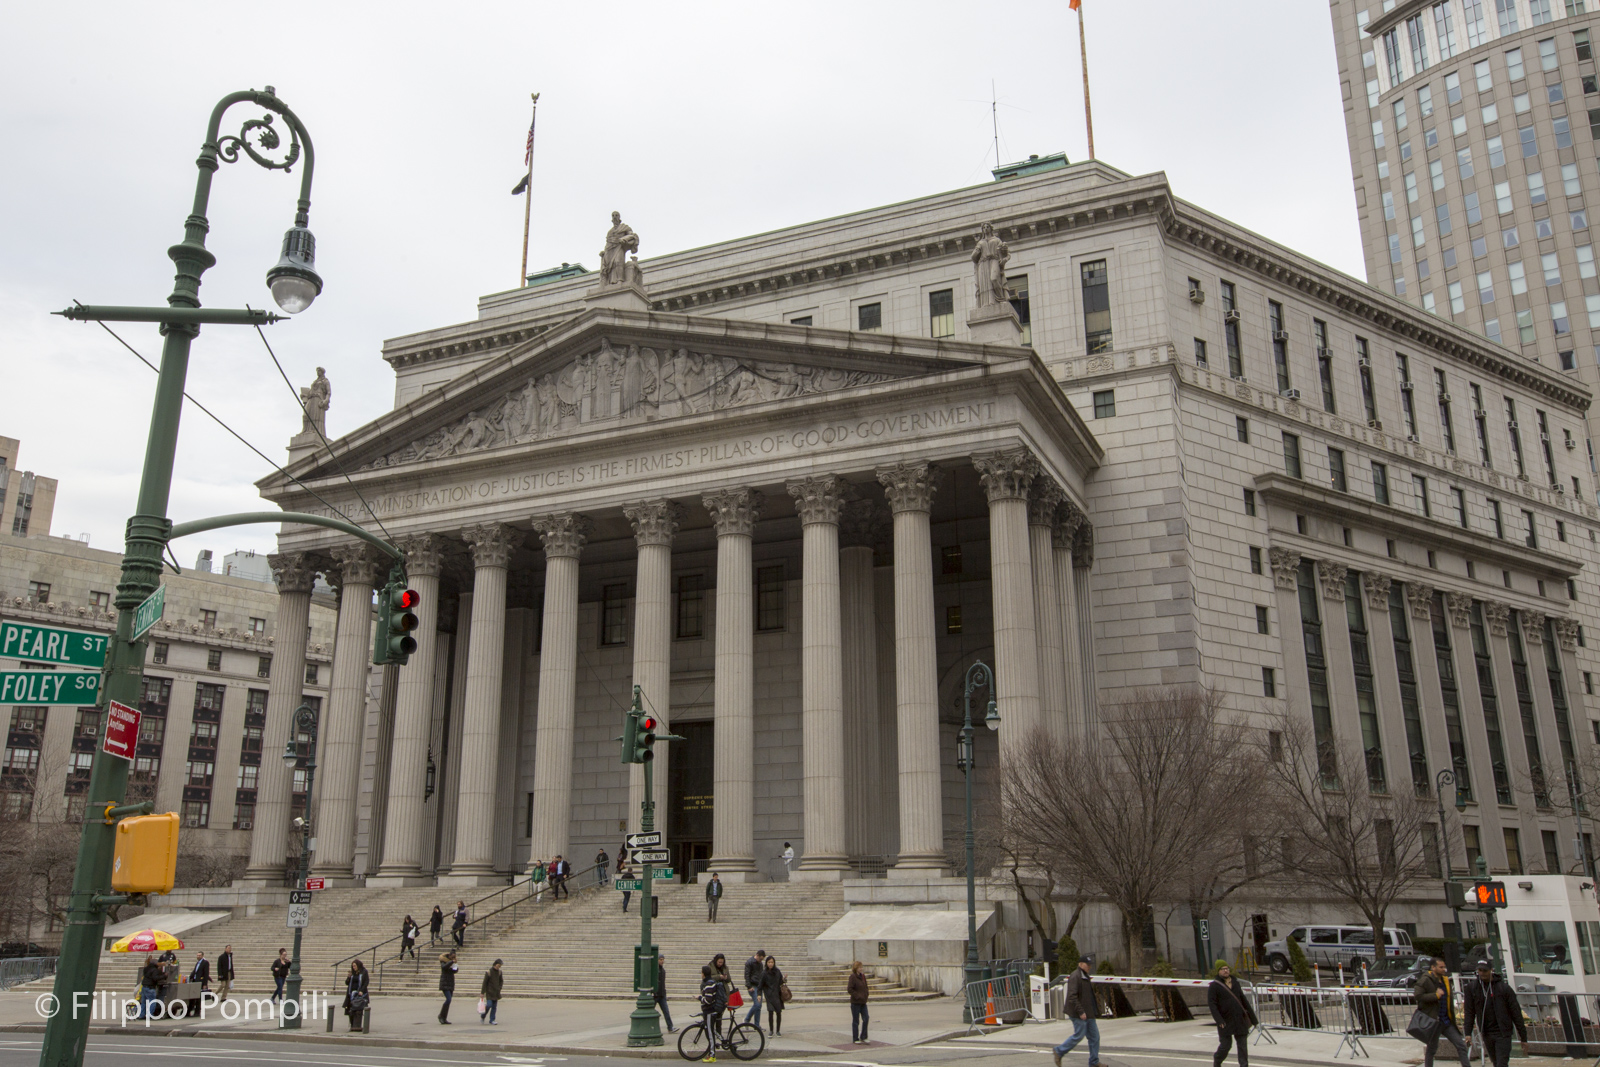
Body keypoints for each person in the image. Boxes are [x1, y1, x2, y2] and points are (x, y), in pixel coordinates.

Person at [1463, 958, 1529, 1067]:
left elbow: (1516, 1013)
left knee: (1501, 1063)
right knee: (1495, 1062)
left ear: (1491, 970)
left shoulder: (1504, 988)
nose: (1482, 973)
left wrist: (1523, 1038)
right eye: (1480, 970)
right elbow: (1469, 1011)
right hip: (1486, 1032)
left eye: (1485, 970)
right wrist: (1467, 1033)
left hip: (1502, 1033)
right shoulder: (1472, 988)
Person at [1414, 955, 1469, 1067]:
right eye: (1441, 967)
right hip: (1434, 1021)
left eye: (1444, 967)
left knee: (1461, 1045)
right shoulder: (1425, 980)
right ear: (1433, 967)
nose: (1444, 969)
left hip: (1446, 1020)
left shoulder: (1445, 980)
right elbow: (1418, 995)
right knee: (1432, 1048)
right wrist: (1435, 996)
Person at [1051, 957, 1099, 1067]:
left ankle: (1094, 1062)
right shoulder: (1075, 976)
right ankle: (1059, 1051)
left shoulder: (1085, 976)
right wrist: (1081, 1011)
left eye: (1090, 965)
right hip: (1078, 1013)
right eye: (1087, 965)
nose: (1089, 967)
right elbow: (1072, 997)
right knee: (1079, 1035)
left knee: (1095, 1037)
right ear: (1081, 964)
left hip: (1089, 1013)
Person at [1207, 961, 1257, 1067]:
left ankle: (1244, 1065)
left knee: (1242, 1046)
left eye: (1227, 968)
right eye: (1223, 969)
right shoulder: (1214, 986)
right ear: (1218, 971)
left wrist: (1253, 1019)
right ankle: (1217, 1060)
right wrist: (1219, 1020)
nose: (1226, 970)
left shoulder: (1235, 983)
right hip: (1225, 1021)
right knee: (1225, 1046)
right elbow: (1212, 1005)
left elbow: (1244, 1001)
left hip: (1239, 1020)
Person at [699, 964, 727, 1062]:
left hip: (710, 1011)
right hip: (710, 1011)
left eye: (701, 972)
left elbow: (708, 1000)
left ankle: (712, 1056)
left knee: (710, 1033)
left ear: (704, 974)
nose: (701, 974)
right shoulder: (711, 982)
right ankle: (720, 1042)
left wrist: (699, 998)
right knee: (711, 1031)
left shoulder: (709, 984)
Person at [760, 954, 787, 1037]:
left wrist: (784, 979)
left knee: (778, 1012)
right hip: (769, 995)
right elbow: (760, 985)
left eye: (772, 962)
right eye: (769, 962)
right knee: (770, 1012)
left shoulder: (777, 971)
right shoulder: (764, 973)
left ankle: (778, 1030)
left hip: (777, 994)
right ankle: (771, 1030)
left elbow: (780, 982)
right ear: (766, 963)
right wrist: (758, 994)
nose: (770, 964)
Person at [742, 950, 766, 1030]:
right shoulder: (750, 962)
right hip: (752, 985)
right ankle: (747, 1019)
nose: (761, 961)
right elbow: (747, 975)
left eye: (762, 959)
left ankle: (756, 1025)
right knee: (757, 1004)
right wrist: (749, 986)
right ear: (757, 955)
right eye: (760, 959)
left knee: (759, 1006)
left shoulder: (760, 964)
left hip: (758, 986)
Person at [343, 960, 370, 1032]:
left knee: (358, 1010)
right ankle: (352, 1025)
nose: (354, 967)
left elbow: (366, 982)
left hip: (359, 995)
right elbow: (347, 983)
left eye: (355, 966)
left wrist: (361, 990)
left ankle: (357, 1025)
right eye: (353, 966)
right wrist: (349, 977)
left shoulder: (364, 972)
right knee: (350, 1010)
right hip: (351, 994)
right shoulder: (352, 973)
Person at [849, 960, 870, 1043]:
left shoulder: (863, 976)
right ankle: (855, 1038)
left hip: (863, 1002)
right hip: (856, 1003)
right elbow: (850, 989)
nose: (861, 969)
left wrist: (866, 995)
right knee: (856, 1021)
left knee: (866, 1018)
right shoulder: (853, 977)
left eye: (862, 967)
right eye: (860, 967)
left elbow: (866, 987)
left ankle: (864, 1036)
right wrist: (857, 996)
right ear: (856, 968)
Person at [138, 954, 162, 1019]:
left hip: (144, 987)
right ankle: (149, 1015)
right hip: (150, 987)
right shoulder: (154, 970)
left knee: (143, 1002)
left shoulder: (146, 969)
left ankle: (141, 1015)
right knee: (152, 1002)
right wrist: (164, 976)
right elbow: (155, 978)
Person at [656, 953, 676, 1033]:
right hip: (655, 994)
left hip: (662, 994)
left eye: (663, 959)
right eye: (660, 959)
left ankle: (670, 1027)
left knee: (666, 1011)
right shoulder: (655, 970)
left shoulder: (662, 970)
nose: (662, 961)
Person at [438, 950, 460, 1024]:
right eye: (452, 957)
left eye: (454, 957)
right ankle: (441, 1015)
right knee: (448, 999)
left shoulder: (452, 962)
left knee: (449, 1001)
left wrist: (456, 967)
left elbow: (454, 971)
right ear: (449, 955)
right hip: (444, 982)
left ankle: (444, 1018)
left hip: (450, 982)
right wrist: (451, 962)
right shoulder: (443, 960)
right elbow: (444, 967)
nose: (453, 958)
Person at [480, 958, 504, 1024]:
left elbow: (501, 981)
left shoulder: (499, 972)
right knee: (489, 1005)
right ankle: (483, 1015)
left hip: (496, 992)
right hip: (489, 992)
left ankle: (492, 1019)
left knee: (494, 1007)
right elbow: (485, 983)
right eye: (498, 965)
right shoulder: (489, 972)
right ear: (495, 964)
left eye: (500, 966)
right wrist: (482, 992)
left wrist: (499, 988)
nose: (499, 967)